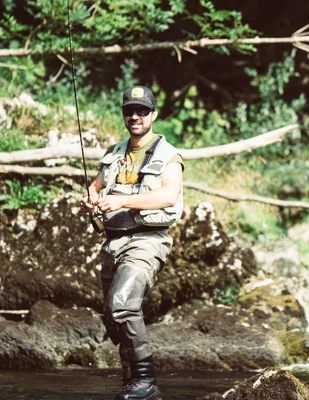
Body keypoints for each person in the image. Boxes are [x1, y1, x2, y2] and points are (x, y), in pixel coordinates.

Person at [80, 85, 184, 400]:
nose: (135, 116)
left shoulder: (169, 155)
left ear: (153, 114)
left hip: (147, 241)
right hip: (112, 244)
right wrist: (90, 198)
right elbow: (95, 187)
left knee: (123, 306)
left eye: (142, 110)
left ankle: (146, 381)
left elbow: (169, 195)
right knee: (114, 319)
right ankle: (131, 386)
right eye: (130, 111)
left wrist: (122, 201)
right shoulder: (113, 153)